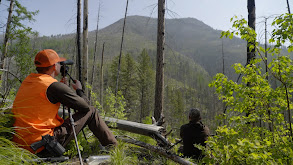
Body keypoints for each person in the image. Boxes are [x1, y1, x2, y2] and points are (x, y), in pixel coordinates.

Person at [12, 49, 118, 155]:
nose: (61, 66)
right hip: (43, 145)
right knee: (92, 111)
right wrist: (79, 90)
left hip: (21, 143)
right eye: (59, 63)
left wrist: (64, 90)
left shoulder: (29, 80)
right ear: (54, 66)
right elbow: (85, 107)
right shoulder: (53, 85)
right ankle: (114, 148)